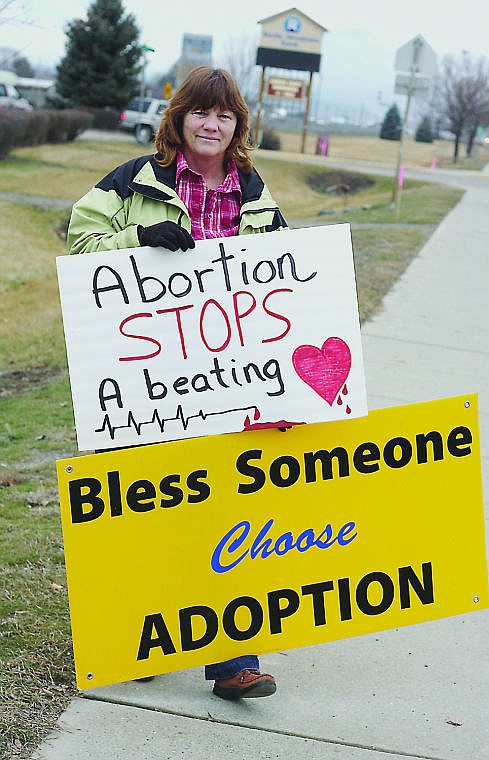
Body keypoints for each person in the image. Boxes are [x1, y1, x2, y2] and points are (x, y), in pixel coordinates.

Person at [67, 66, 287, 700]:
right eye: (199, 113)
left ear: (237, 124)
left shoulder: (254, 191)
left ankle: (232, 662)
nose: (211, 124)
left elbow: (283, 284)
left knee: (223, 524)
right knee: (145, 512)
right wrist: (140, 241)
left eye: (223, 115)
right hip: (144, 385)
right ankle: (141, 637)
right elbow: (82, 240)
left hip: (224, 388)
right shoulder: (134, 181)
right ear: (179, 118)